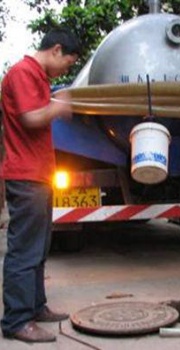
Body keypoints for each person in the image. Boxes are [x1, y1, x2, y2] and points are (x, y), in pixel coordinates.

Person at [0, 28, 81, 343]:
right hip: (26, 175)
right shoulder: (23, 73)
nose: (66, 70)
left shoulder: (38, 76)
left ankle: (35, 307)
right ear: (56, 49)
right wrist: (59, 106)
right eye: (68, 63)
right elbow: (31, 118)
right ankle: (17, 320)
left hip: (40, 174)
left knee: (39, 248)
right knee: (24, 251)